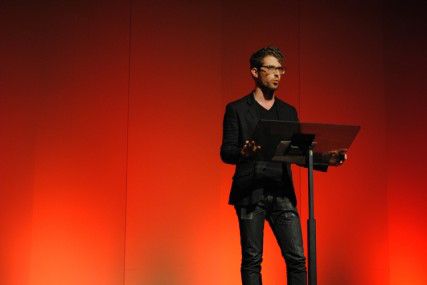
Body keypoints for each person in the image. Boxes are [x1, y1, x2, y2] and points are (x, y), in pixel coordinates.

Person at [220, 46, 347, 285]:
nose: (277, 74)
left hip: (281, 193)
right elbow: (226, 152)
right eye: (271, 68)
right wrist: (244, 152)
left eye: (280, 69)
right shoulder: (236, 109)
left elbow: (299, 153)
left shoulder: (288, 111)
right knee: (252, 260)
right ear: (255, 72)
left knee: (297, 259)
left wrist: (325, 159)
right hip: (250, 193)